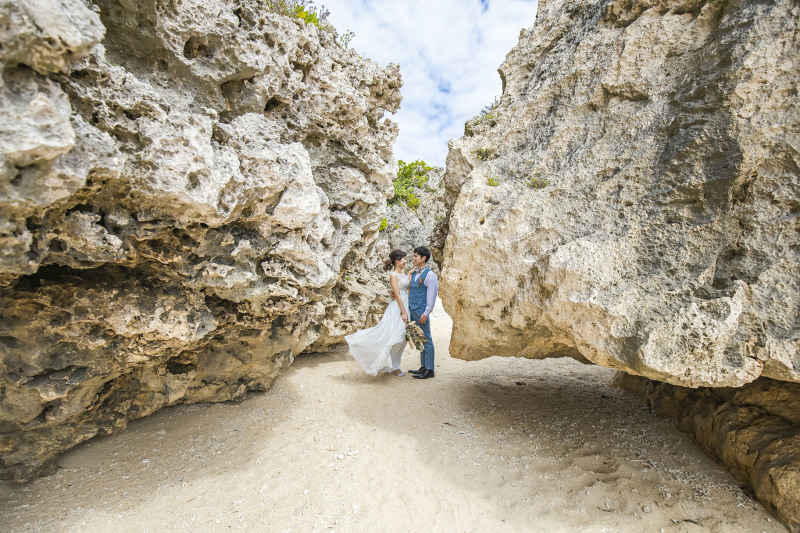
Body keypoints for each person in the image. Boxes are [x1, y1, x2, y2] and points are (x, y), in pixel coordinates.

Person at [344, 249, 409, 377]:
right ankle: (393, 366)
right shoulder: (394, 275)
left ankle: (393, 364)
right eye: (404, 259)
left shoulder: (403, 273)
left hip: (406, 304)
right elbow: (397, 294)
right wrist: (403, 312)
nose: (406, 261)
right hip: (398, 307)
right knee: (394, 336)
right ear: (397, 261)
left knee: (402, 339)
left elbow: (405, 288)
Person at [407, 246, 438, 379]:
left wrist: (426, 313)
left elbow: (431, 296)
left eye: (416, 256)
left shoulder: (430, 275)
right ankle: (423, 366)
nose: (413, 258)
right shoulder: (414, 272)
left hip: (421, 311)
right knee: (419, 339)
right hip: (412, 309)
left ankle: (429, 369)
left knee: (427, 339)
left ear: (423, 258)